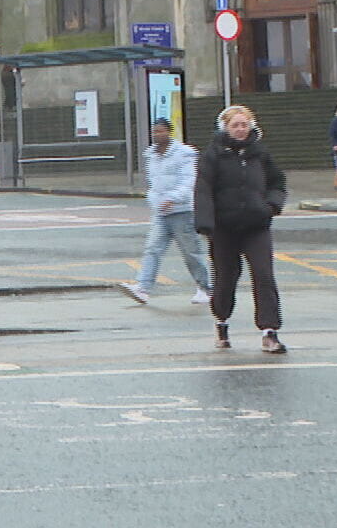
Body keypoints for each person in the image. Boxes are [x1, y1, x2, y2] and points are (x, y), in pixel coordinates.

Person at [195, 104, 288, 354]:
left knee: (264, 276)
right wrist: (205, 222)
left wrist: (272, 206)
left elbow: (277, 181)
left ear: (251, 127)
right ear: (225, 127)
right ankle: (222, 322)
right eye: (235, 125)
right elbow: (203, 188)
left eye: (244, 124)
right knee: (226, 279)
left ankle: (269, 332)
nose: (240, 129)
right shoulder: (213, 154)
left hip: (256, 225)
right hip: (224, 228)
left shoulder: (260, 153)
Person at [118, 118, 211, 305]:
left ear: (169, 132)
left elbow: (189, 181)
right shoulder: (152, 155)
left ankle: (206, 288)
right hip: (161, 213)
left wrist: (173, 198)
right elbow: (154, 184)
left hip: (182, 212)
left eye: (161, 131)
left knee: (191, 252)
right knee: (153, 249)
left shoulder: (184, 154)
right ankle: (143, 288)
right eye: (155, 132)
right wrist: (155, 200)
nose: (158, 135)